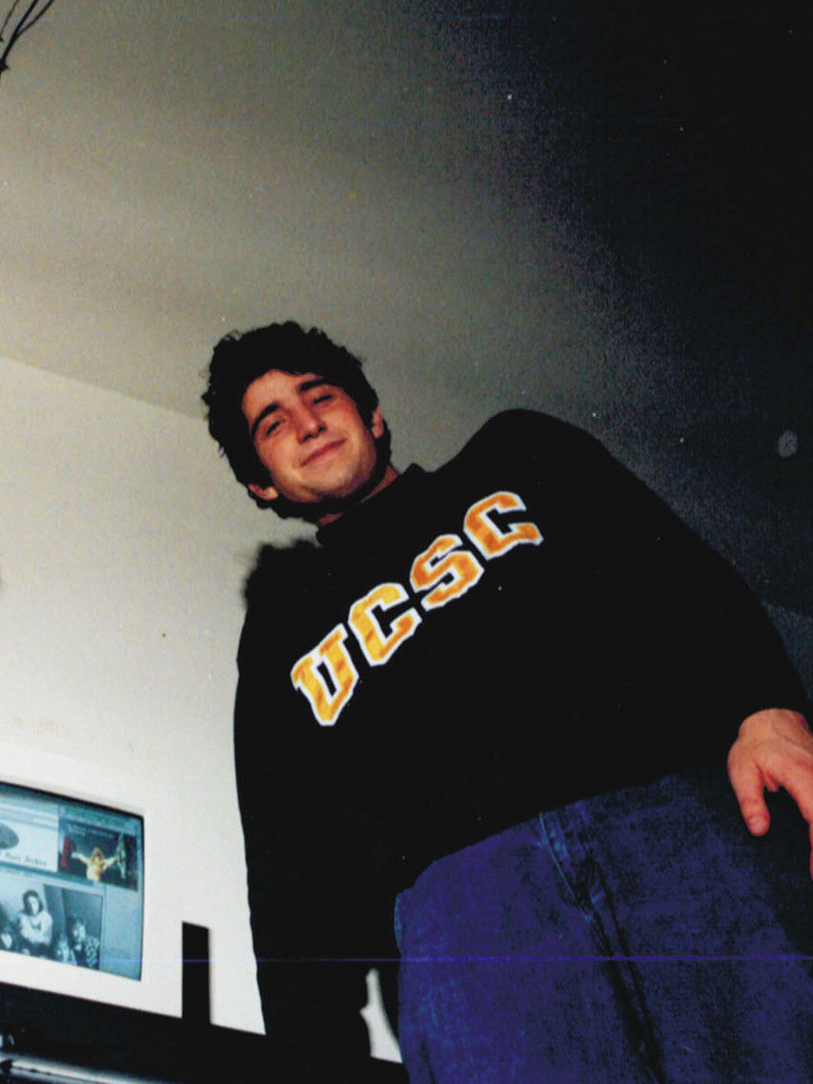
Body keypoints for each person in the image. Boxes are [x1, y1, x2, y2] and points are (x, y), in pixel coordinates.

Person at [201, 321, 813, 1082]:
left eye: (319, 395)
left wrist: (769, 708)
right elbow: (287, 869)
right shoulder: (281, 633)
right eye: (272, 423)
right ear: (262, 484)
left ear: (373, 415)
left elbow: (680, 576)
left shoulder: (518, 453)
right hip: (471, 927)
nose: (307, 422)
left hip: (671, 840)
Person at [14, 889, 53, 955]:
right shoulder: (21, 916)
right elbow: (26, 936)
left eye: (34, 902)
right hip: (28, 947)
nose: (32, 906)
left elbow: (47, 939)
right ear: (25, 905)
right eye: (28, 904)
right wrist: (40, 937)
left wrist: (36, 937)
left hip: (44, 947)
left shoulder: (46, 916)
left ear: (38, 902)